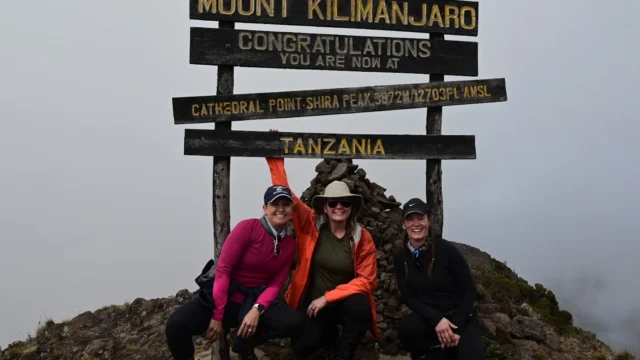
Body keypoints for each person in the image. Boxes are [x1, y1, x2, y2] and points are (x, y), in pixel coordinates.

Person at [165, 185, 304, 360]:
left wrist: (257, 310)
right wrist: (217, 316)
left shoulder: (290, 245)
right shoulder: (248, 228)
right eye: (275, 204)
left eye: (286, 204)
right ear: (265, 208)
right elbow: (223, 271)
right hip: (224, 298)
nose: (281, 209)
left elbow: (276, 283)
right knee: (176, 325)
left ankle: (244, 341)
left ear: (292, 209)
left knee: (294, 323)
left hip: (253, 300)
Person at [265, 155, 379, 360]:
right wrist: (276, 162)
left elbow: (367, 280)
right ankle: (328, 338)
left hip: (340, 303)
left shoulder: (362, 237)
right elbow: (287, 194)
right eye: (333, 202)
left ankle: (343, 354)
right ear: (325, 207)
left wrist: (328, 297)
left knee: (360, 306)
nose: (339, 207)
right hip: (313, 305)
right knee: (302, 346)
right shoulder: (310, 223)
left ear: (351, 206)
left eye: (345, 202)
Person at [392, 198, 484, 360]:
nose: (416, 224)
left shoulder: (447, 250)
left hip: (460, 317)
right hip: (431, 318)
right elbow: (407, 296)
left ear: (428, 220)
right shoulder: (401, 257)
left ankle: (449, 346)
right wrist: (436, 319)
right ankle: (429, 352)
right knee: (408, 328)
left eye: (420, 218)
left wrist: (455, 327)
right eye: (410, 219)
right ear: (404, 224)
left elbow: (469, 289)